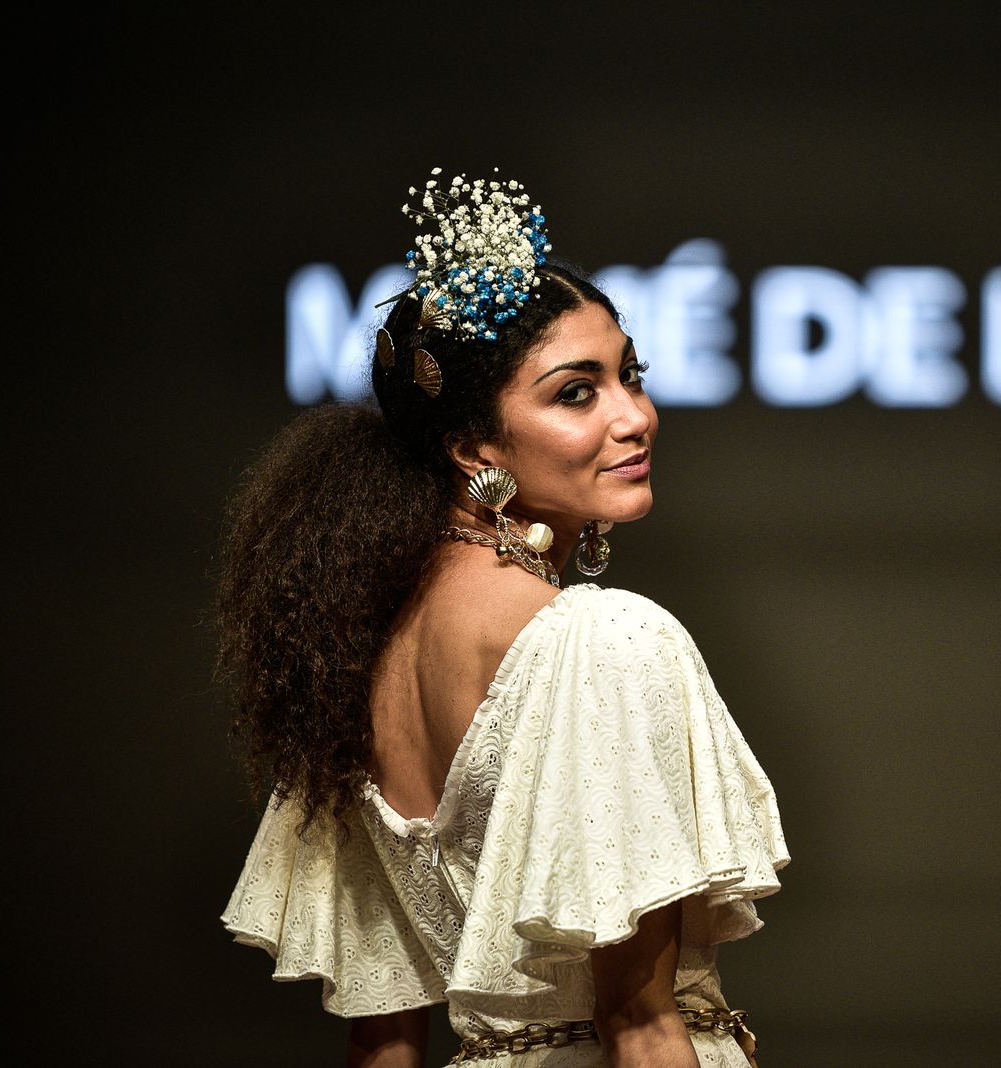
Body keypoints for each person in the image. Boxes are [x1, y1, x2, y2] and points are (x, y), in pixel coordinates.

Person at [217, 169, 789, 1068]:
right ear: (473, 447)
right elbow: (639, 1024)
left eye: (628, 375)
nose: (634, 416)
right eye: (576, 392)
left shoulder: (360, 650)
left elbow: (386, 1041)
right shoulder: (597, 641)